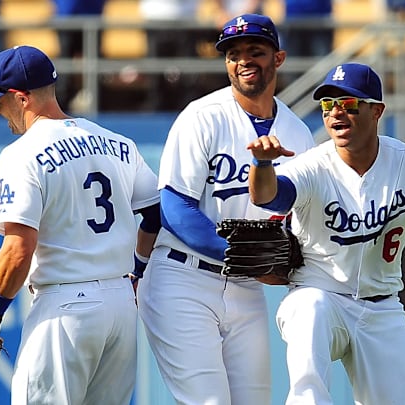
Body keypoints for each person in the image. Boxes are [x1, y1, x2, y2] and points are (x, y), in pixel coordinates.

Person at [246, 63, 405, 404]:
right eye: (328, 105)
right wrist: (262, 164)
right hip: (321, 293)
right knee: (308, 310)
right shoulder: (313, 164)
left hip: (381, 305)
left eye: (349, 104)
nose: (336, 112)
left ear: (377, 111)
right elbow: (268, 195)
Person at [0, 45, 161, 404]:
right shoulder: (119, 143)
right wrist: (137, 271)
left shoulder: (21, 154)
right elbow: (155, 214)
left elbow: (18, 249)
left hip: (66, 307)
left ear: (21, 98)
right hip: (119, 307)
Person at [136, 14, 315, 404]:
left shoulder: (298, 133)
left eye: (256, 51)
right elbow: (174, 206)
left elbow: (303, 220)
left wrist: (283, 263)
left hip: (246, 288)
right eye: (234, 54)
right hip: (183, 279)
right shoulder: (203, 116)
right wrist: (241, 255)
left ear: (279, 58)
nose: (244, 60)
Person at [50, 0, 107, 112]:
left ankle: (99, 106)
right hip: (66, 18)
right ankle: (61, 106)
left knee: (95, 68)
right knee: (65, 71)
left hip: (92, 17)